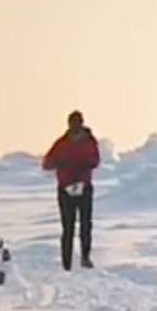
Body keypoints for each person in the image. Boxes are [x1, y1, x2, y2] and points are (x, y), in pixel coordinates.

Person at [41, 110, 102, 270]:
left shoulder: (90, 141)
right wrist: (61, 163)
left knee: (85, 225)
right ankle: (66, 263)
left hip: (84, 186)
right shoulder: (61, 144)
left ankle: (85, 257)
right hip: (66, 188)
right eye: (73, 124)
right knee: (68, 226)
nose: (76, 127)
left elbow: (96, 159)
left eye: (78, 123)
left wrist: (86, 165)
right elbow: (47, 163)